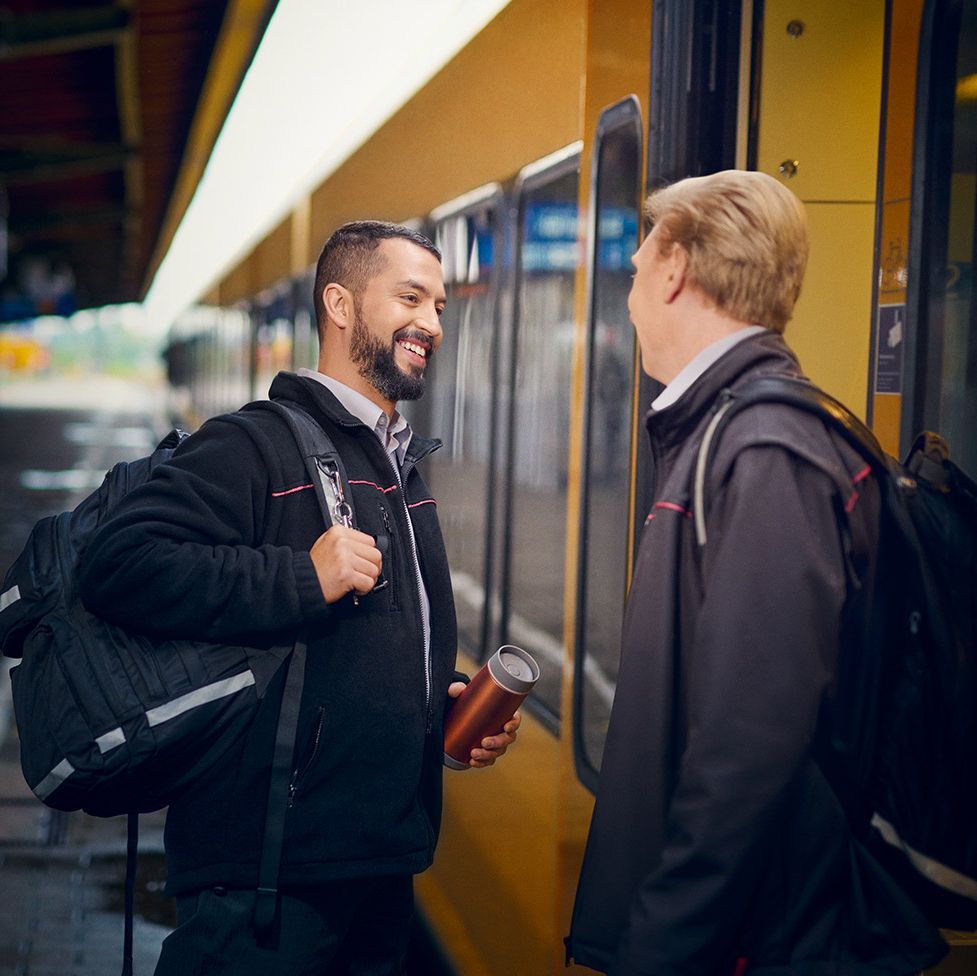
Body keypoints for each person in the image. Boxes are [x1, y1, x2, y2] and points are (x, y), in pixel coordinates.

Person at [79, 220, 519, 975]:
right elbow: (118, 563)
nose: (431, 323)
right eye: (410, 297)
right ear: (341, 305)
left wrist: (433, 710)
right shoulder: (256, 445)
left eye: (441, 306)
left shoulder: (397, 464)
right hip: (268, 876)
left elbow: (361, 647)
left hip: (377, 863)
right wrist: (299, 578)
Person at [565, 171, 946, 975]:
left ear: (674, 270)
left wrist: (661, 945)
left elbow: (748, 743)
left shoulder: (765, 449)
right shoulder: (733, 434)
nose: (631, 293)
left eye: (637, 269)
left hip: (760, 941)